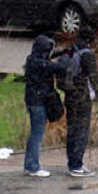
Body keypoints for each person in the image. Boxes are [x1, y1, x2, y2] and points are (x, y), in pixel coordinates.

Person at [23, 34, 72, 177]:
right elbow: (57, 66)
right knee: (36, 134)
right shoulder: (39, 64)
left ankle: (30, 164)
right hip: (37, 103)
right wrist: (66, 58)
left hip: (34, 101)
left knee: (35, 133)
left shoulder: (32, 59)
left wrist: (63, 52)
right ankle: (33, 166)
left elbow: (50, 60)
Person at [63, 24, 98, 177]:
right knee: (82, 131)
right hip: (82, 97)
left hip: (70, 96)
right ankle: (77, 164)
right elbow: (93, 77)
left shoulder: (71, 51)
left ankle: (72, 162)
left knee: (72, 130)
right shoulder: (87, 55)